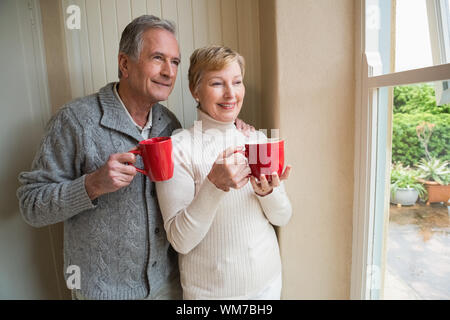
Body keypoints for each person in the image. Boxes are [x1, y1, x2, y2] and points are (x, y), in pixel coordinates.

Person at [16, 16, 252, 300]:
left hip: (169, 287)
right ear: (125, 64)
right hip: (102, 292)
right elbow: (31, 205)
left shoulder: (169, 125)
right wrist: (91, 185)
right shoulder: (75, 121)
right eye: (157, 58)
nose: (168, 72)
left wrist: (233, 128)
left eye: (174, 62)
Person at [155, 45, 293, 300]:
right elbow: (180, 241)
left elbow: (282, 217)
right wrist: (214, 185)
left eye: (237, 82)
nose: (231, 94)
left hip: (269, 287)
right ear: (195, 90)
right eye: (217, 83)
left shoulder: (258, 140)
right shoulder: (178, 148)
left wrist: (269, 193)